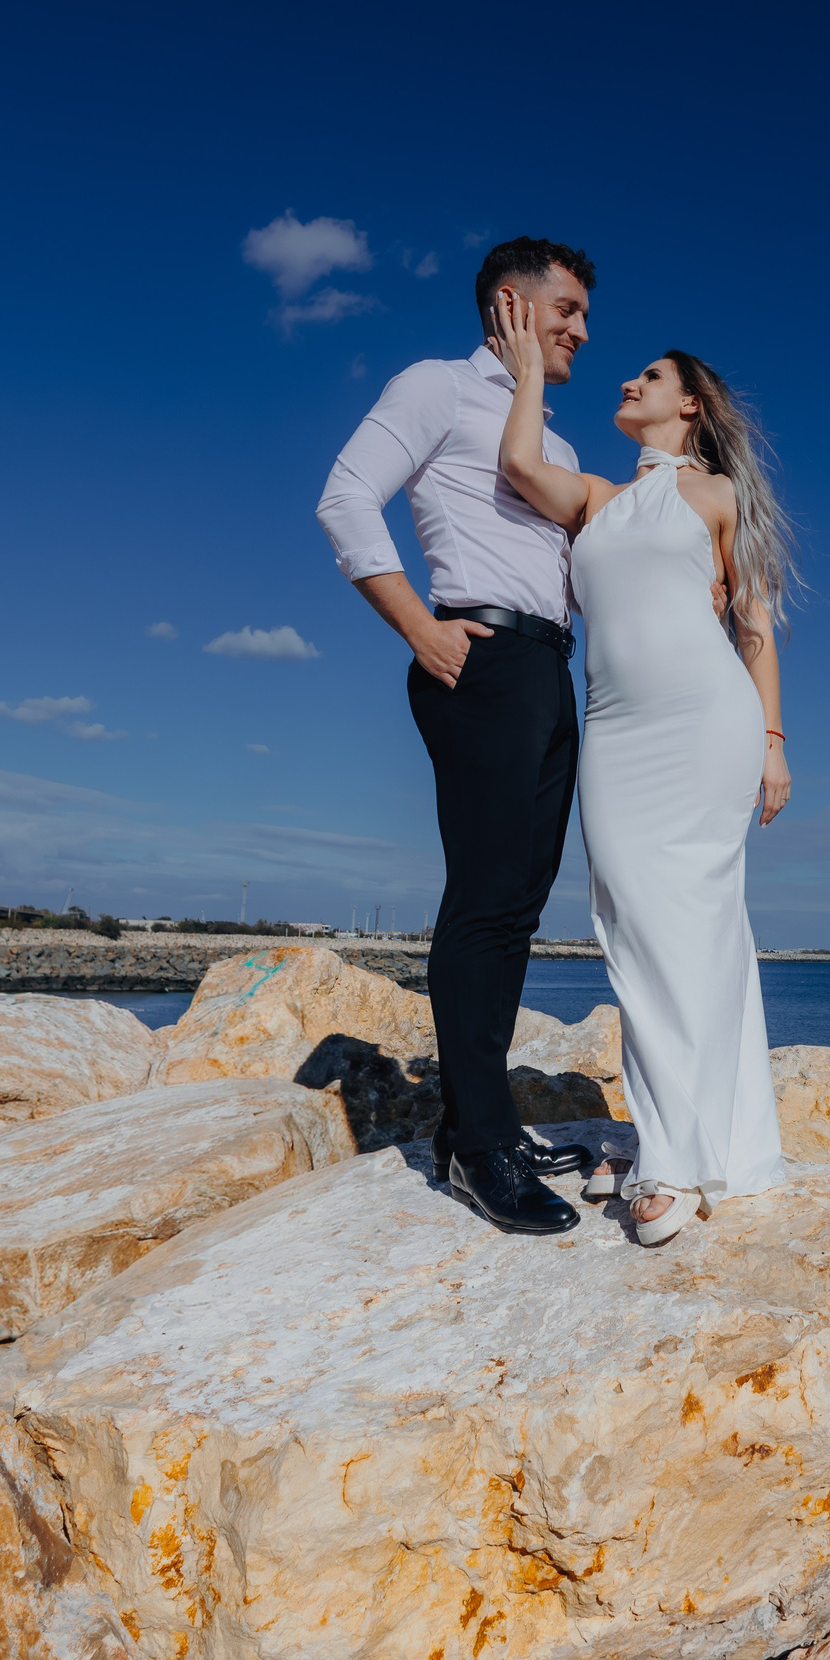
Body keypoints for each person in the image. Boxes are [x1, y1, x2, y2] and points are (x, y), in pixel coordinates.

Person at [486, 288, 796, 1246]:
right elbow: (517, 464)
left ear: (691, 404)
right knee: (631, 922)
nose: (627, 378)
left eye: (650, 376)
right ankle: (697, 1135)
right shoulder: (596, 500)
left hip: (708, 723)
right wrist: (530, 371)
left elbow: (754, 630)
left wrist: (776, 744)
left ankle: (666, 1159)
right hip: (615, 732)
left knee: (695, 924)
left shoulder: (718, 497)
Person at [314, 237, 604, 1236]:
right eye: (565, 309)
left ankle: (484, 1125)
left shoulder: (549, 440)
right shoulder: (438, 386)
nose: (580, 331)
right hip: (476, 657)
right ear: (511, 304)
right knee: (483, 902)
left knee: (518, 908)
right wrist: (415, 625)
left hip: (548, 669)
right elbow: (344, 494)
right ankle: (475, 1145)